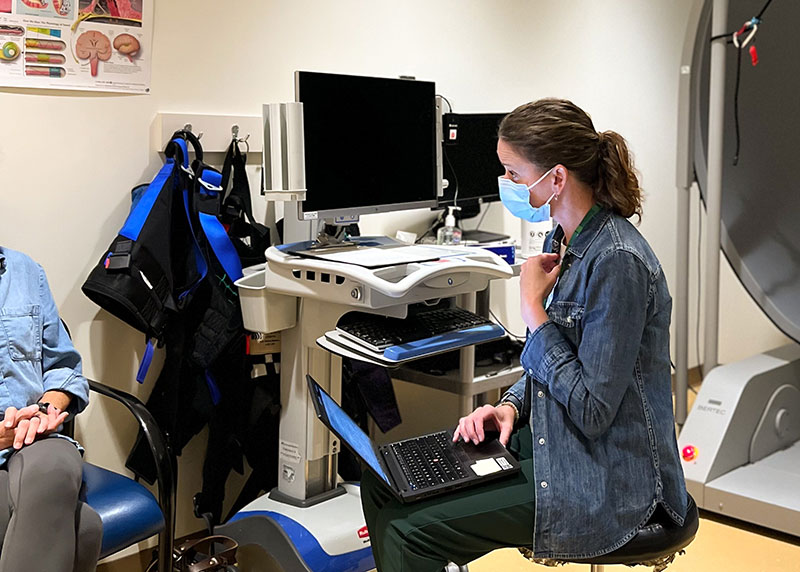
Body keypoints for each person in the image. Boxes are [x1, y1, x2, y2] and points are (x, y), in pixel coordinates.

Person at [361, 98, 688, 571]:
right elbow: (566, 360)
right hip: (561, 443)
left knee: (412, 535)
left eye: (513, 174)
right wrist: (510, 405)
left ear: (556, 178)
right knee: (384, 476)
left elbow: (594, 410)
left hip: (613, 480)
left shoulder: (616, 261)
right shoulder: (567, 239)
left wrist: (532, 309)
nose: (506, 186)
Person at [0, 246, 102, 571]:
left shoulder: (26, 271)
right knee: (85, 527)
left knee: (55, 470)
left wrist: (46, 410)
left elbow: (63, 367)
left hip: (37, 442)